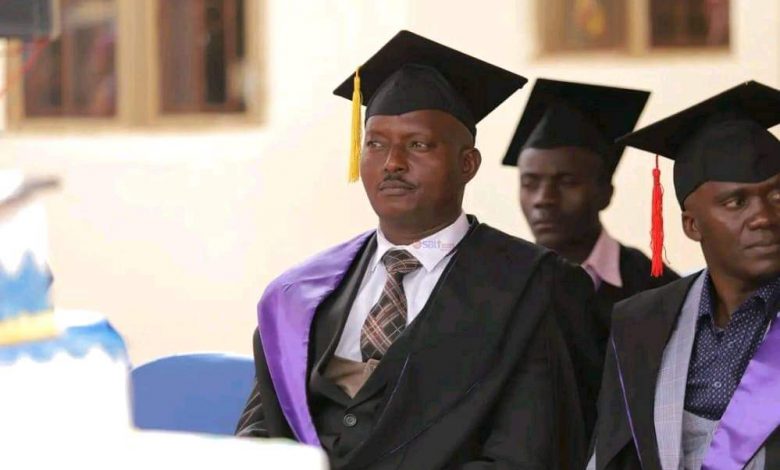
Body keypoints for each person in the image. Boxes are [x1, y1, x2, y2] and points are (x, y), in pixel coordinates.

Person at [235, 30, 602, 469]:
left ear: (468, 164)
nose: (392, 162)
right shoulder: (299, 295)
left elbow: (529, 456)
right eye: (375, 143)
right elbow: (258, 438)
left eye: (418, 144)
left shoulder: (536, 288)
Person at [588, 80, 780, 469]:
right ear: (692, 226)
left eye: (778, 196)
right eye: (736, 202)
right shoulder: (640, 322)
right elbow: (610, 456)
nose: (763, 217)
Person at [503, 79, 680, 345]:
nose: (544, 199)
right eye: (530, 183)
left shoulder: (656, 288)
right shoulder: (503, 283)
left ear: (605, 194)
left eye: (566, 182)